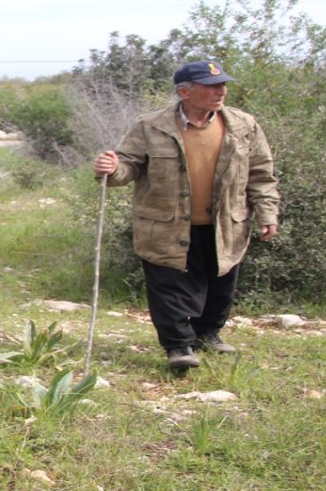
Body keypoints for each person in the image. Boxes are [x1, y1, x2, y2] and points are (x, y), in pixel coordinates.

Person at [93, 60, 279, 372]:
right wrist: (111, 170)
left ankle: (208, 334)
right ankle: (178, 346)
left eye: (222, 85)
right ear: (185, 92)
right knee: (169, 287)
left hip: (224, 223)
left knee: (221, 284)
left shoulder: (244, 125)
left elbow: (261, 173)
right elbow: (128, 167)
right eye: (212, 86)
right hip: (166, 225)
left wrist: (267, 212)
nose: (221, 91)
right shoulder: (151, 126)